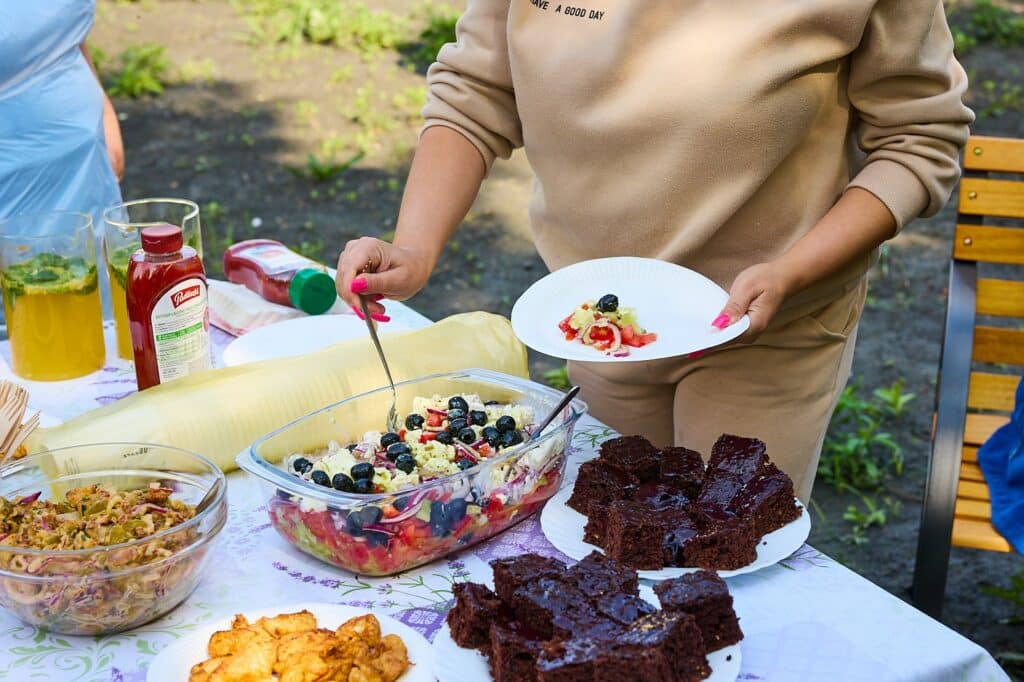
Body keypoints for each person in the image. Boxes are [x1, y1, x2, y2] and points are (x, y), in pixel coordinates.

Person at [335, 0, 974, 501]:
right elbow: (476, 93)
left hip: (767, 328)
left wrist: (791, 270)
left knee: (722, 560)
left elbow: (919, 139)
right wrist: (414, 249)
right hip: (602, 325)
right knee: (616, 543)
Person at [0, 0, 124, 317]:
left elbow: (62, 30)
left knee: (92, 334)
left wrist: (102, 111)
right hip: (12, 191)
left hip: (87, 178)